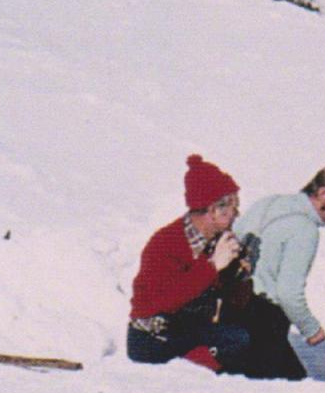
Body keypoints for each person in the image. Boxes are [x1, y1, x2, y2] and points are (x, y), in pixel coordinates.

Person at [126, 154, 302, 379]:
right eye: (232, 208)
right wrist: (212, 267)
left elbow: (227, 298)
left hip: (190, 325)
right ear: (213, 210)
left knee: (270, 316)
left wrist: (239, 276)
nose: (237, 214)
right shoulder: (165, 244)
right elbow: (162, 302)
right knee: (237, 341)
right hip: (156, 338)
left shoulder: (216, 239)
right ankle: (248, 382)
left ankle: (298, 383)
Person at [234, 164, 325, 357]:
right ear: (323, 194)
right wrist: (311, 329)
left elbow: (234, 236)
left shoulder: (270, 202)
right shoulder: (305, 230)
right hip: (262, 318)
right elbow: (288, 293)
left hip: (230, 306)